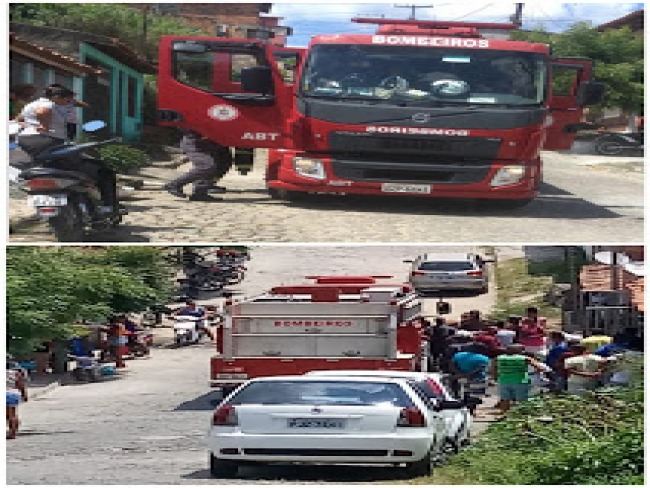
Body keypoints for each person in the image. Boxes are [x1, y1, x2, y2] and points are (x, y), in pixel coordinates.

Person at [163, 130, 233, 202]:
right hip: (195, 142)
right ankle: (174, 185)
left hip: (210, 143)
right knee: (206, 165)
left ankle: (200, 193)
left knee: (219, 164)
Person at [493, 344, 548, 414]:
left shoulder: (498, 358)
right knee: (521, 399)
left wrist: (495, 378)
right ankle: (520, 414)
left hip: (503, 380)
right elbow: (541, 368)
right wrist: (531, 373)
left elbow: (493, 369)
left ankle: (504, 413)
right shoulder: (525, 358)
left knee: (505, 399)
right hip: (521, 380)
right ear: (521, 351)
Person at [449, 344, 491, 412]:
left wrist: (460, 373)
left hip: (461, 378)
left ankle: (465, 409)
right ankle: (471, 410)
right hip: (477, 378)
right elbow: (479, 369)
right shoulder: (484, 358)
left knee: (465, 394)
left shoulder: (458, 355)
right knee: (475, 396)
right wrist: (468, 374)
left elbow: (452, 365)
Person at [6, 365, 28, 439]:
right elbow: (21, 385)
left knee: (8, 415)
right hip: (14, 394)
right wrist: (24, 395)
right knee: (13, 414)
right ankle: (13, 431)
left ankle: (12, 431)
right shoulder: (16, 373)